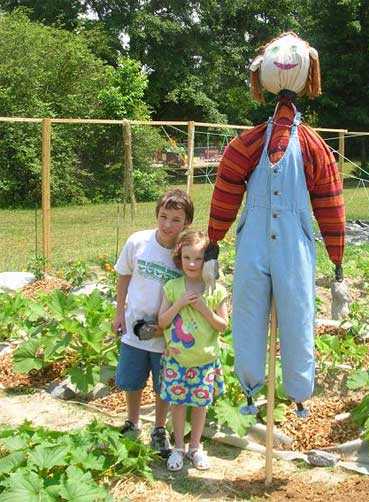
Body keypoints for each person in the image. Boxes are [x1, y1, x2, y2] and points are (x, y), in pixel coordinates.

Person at [205, 32, 346, 416]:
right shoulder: (247, 145)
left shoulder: (315, 149)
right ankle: (250, 385)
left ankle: (299, 390)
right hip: (252, 243)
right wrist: (213, 240)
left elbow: (330, 206)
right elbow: (226, 191)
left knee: (298, 311)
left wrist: (337, 260)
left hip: (294, 245)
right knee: (248, 311)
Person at [112, 189, 194, 454]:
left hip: (167, 335)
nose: (168, 225)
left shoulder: (183, 255)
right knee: (132, 380)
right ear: (156, 215)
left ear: (187, 223)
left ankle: (159, 429)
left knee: (164, 385)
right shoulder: (138, 242)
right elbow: (123, 275)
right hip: (134, 329)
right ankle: (132, 422)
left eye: (176, 220)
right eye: (163, 216)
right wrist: (118, 313)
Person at [158, 230, 227, 471]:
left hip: (204, 360)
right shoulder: (172, 287)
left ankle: (195, 447)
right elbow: (162, 322)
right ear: (180, 257)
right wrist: (179, 304)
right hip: (177, 359)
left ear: (207, 260)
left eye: (198, 259)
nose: (192, 264)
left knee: (200, 405)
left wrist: (202, 308)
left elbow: (223, 325)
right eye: (187, 258)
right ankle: (178, 447)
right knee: (177, 404)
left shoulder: (215, 289)